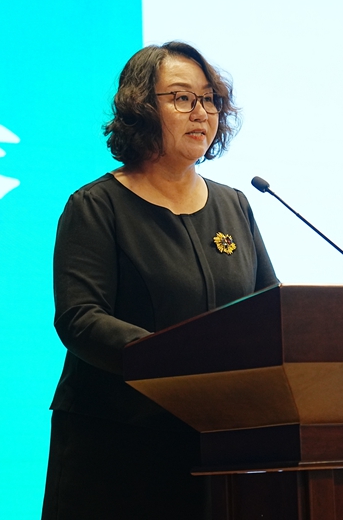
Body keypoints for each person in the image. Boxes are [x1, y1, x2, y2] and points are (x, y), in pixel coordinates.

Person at [41, 42, 279, 520]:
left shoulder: (234, 205)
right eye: (182, 98)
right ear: (141, 109)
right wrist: (174, 361)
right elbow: (80, 318)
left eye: (209, 99)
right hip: (117, 449)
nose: (201, 112)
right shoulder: (97, 206)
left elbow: (269, 311)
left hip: (216, 441)